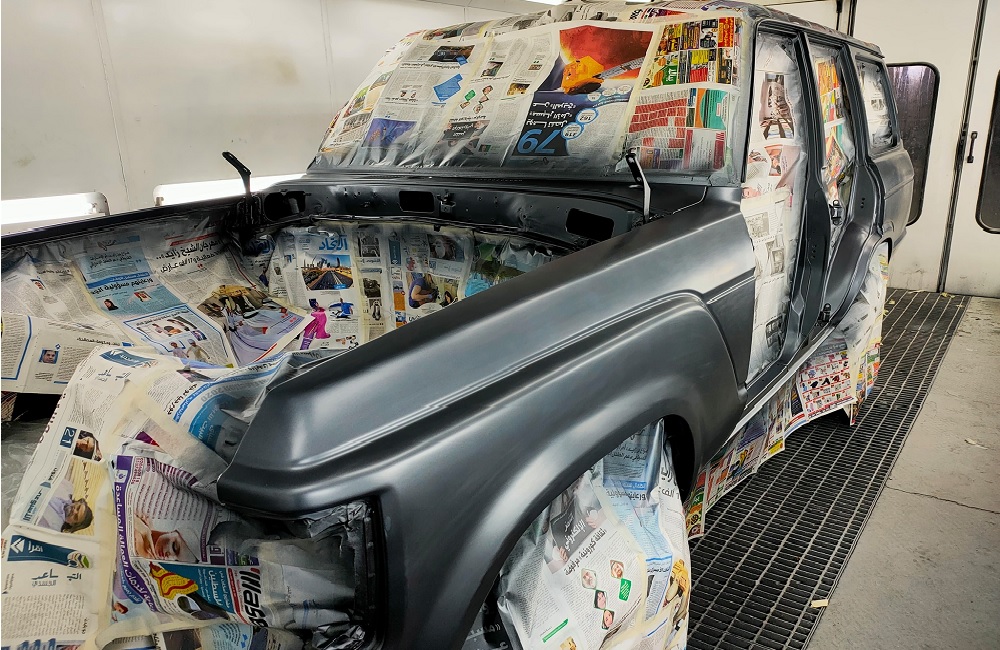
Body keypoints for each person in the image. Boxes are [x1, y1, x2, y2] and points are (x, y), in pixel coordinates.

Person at [132, 514, 199, 563]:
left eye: (176, 561)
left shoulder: (147, 557)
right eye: (174, 547)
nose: (169, 557)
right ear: (174, 531)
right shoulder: (151, 518)